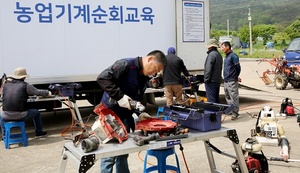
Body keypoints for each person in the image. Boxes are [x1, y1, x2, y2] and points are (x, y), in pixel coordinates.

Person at [96, 50, 167, 173]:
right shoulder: (126, 65)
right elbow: (102, 78)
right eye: (155, 69)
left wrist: (140, 113)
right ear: (150, 59)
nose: (154, 73)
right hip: (110, 116)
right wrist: (120, 97)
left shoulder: (143, 77)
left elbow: (135, 98)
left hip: (125, 117)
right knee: (109, 154)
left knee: (123, 152)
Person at [0, 67, 50, 137]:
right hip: (20, 115)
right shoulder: (26, 86)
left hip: (6, 115)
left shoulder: (6, 85)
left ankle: (4, 136)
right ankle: (39, 133)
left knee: (1, 115)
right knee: (36, 113)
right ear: (24, 77)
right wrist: (48, 93)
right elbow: (38, 92)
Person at [221, 41, 241, 120]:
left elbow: (238, 67)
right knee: (227, 96)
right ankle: (230, 110)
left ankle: (235, 112)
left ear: (227, 47)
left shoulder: (233, 56)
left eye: (223, 47)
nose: (222, 49)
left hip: (232, 80)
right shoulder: (226, 56)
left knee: (234, 97)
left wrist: (236, 76)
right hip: (226, 80)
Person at [204, 39, 223, 103]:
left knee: (211, 100)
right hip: (217, 80)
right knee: (216, 98)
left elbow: (208, 68)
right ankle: (218, 112)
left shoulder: (211, 55)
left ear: (210, 47)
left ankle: (213, 112)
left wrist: (206, 79)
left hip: (211, 80)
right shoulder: (218, 55)